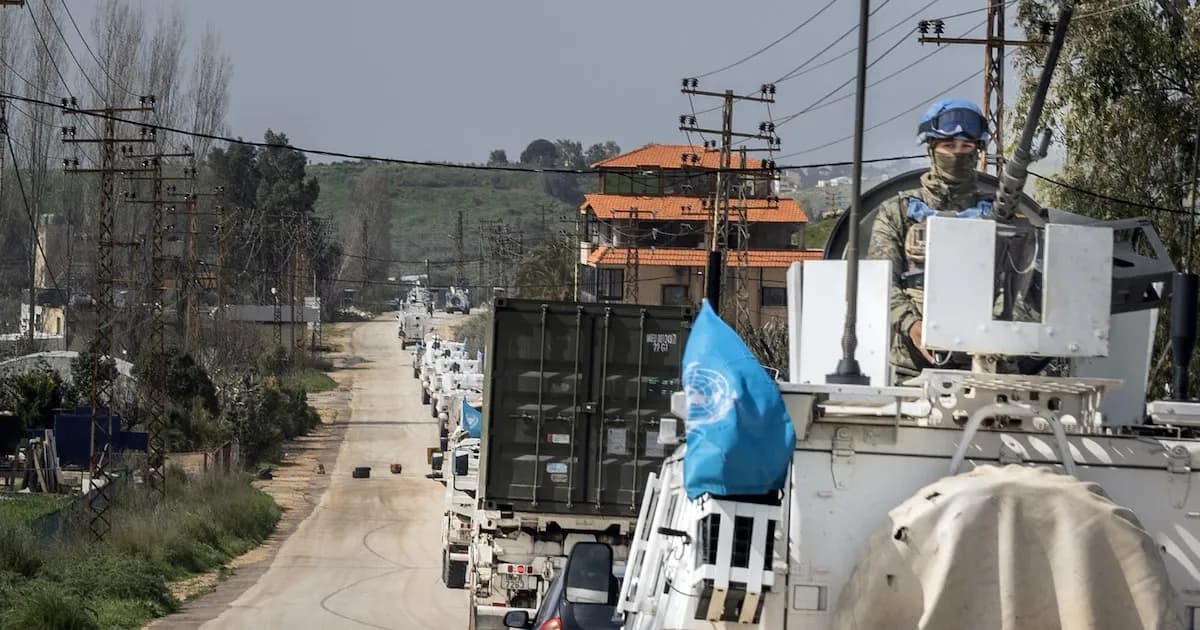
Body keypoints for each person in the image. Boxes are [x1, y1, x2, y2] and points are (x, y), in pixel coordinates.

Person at [868, 98, 997, 383]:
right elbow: (880, 282)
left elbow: (1019, 286)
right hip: (912, 368)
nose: (958, 154)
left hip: (985, 366)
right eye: (949, 146)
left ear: (978, 151)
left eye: (967, 147)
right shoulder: (898, 212)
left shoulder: (999, 216)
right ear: (931, 149)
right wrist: (912, 324)